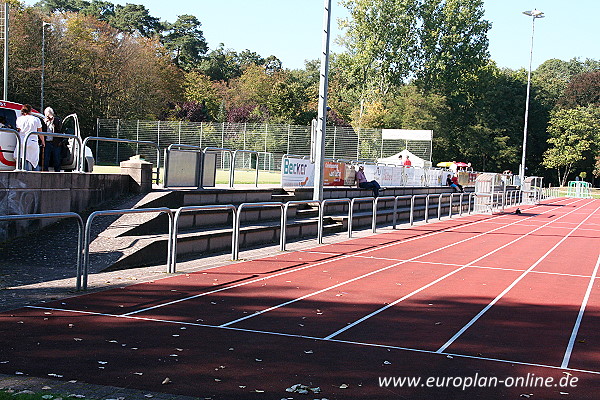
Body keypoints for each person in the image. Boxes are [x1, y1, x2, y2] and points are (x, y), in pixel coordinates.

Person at [15, 104, 43, 171]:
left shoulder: (19, 119)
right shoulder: (36, 119)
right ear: (31, 111)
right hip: (33, 142)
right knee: (34, 162)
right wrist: (43, 141)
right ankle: (36, 177)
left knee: (24, 160)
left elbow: (18, 129)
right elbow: (40, 132)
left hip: (22, 142)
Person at [43, 107, 63, 172]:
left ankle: (57, 171)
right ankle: (45, 171)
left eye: (48, 115)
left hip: (56, 143)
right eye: (46, 115)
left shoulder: (57, 120)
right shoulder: (44, 121)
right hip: (47, 142)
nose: (47, 117)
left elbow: (59, 129)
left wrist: (53, 120)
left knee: (56, 158)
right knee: (46, 158)